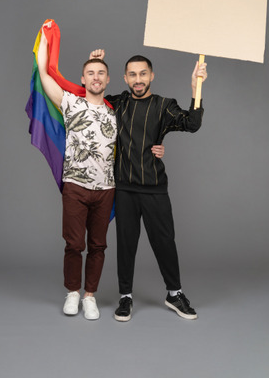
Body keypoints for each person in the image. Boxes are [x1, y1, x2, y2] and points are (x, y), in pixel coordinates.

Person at [37, 25, 164, 320]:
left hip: (106, 189)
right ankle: (72, 292)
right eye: (90, 73)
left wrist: (158, 147)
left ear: (108, 80)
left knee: (98, 245)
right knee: (74, 244)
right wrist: (44, 38)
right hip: (75, 186)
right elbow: (45, 75)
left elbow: (140, 135)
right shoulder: (70, 103)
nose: (96, 77)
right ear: (83, 79)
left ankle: (90, 296)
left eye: (101, 73)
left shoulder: (115, 110)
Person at [89, 49, 207, 321]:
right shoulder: (115, 103)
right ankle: (125, 297)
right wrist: (94, 61)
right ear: (125, 78)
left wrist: (195, 86)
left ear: (151, 76)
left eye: (143, 74)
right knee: (126, 243)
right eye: (132, 74)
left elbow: (192, 123)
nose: (138, 79)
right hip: (124, 188)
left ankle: (174, 293)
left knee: (165, 242)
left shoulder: (165, 105)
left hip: (154, 186)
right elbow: (89, 98)